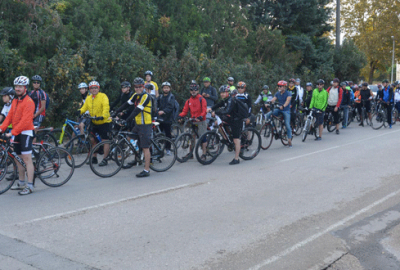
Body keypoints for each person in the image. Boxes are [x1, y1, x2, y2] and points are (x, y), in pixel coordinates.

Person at [0, 76, 35, 195]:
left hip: (25, 132)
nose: (18, 88)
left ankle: (30, 186)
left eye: (20, 86)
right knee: (17, 158)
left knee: (26, 159)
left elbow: (25, 121)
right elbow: (9, 117)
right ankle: (21, 182)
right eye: (16, 86)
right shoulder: (15, 101)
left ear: (25, 88)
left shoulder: (29, 102)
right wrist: (1, 129)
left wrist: (11, 133)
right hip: (16, 132)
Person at [78, 81, 111, 166]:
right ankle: (94, 157)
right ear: (89, 89)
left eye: (95, 87)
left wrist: (103, 116)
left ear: (98, 88)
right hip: (94, 122)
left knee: (105, 140)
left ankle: (105, 159)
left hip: (104, 122)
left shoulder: (103, 96)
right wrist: (79, 111)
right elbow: (84, 108)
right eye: (92, 88)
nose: (94, 89)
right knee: (92, 140)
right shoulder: (89, 98)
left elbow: (106, 107)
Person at [208, 85, 242, 165]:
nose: (222, 94)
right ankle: (226, 138)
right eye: (221, 93)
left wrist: (215, 112)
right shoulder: (225, 100)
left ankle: (236, 158)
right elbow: (218, 105)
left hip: (236, 120)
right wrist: (211, 108)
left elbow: (227, 111)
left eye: (224, 92)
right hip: (230, 118)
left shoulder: (231, 100)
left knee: (236, 140)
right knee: (218, 123)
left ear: (228, 93)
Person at [177, 81, 208, 160]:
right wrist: (179, 116)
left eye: (195, 90)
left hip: (201, 121)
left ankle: (204, 154)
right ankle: (190, 154)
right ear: (190, 91)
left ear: (197, 91)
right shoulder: (188, 101)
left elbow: (204, 110)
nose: (193, 91)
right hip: (193, 121)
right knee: (192, 137)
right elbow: (185, 111)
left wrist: (201, 117)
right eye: (191, 90)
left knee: (202, 137)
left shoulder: (202, 99)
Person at [266, 80, 293, 147]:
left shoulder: (288, 93)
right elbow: (273, 99)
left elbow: (287, 101)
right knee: (268, 115)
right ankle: (274, 129)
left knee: (287, 124)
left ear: (284, 87)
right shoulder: (278, 93)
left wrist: (283, 106)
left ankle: (289, 139)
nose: (279, 87)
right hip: (279, 109)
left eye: (280, 86)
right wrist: (268, 103)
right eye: (278, 86)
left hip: (286, 110)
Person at [157, 82, 176, 155]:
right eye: (164, 88)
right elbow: (156, 104)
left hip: (168, 118)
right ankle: (158, 148)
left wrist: (164, 111)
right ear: (162, 89)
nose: (166, 89)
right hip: (160, 118)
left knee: (168, 135)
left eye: (167, 88)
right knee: (158, 134)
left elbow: (170, 107)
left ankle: (168, 148)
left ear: (170, 89)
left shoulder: (171, 96)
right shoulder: (160, 96)